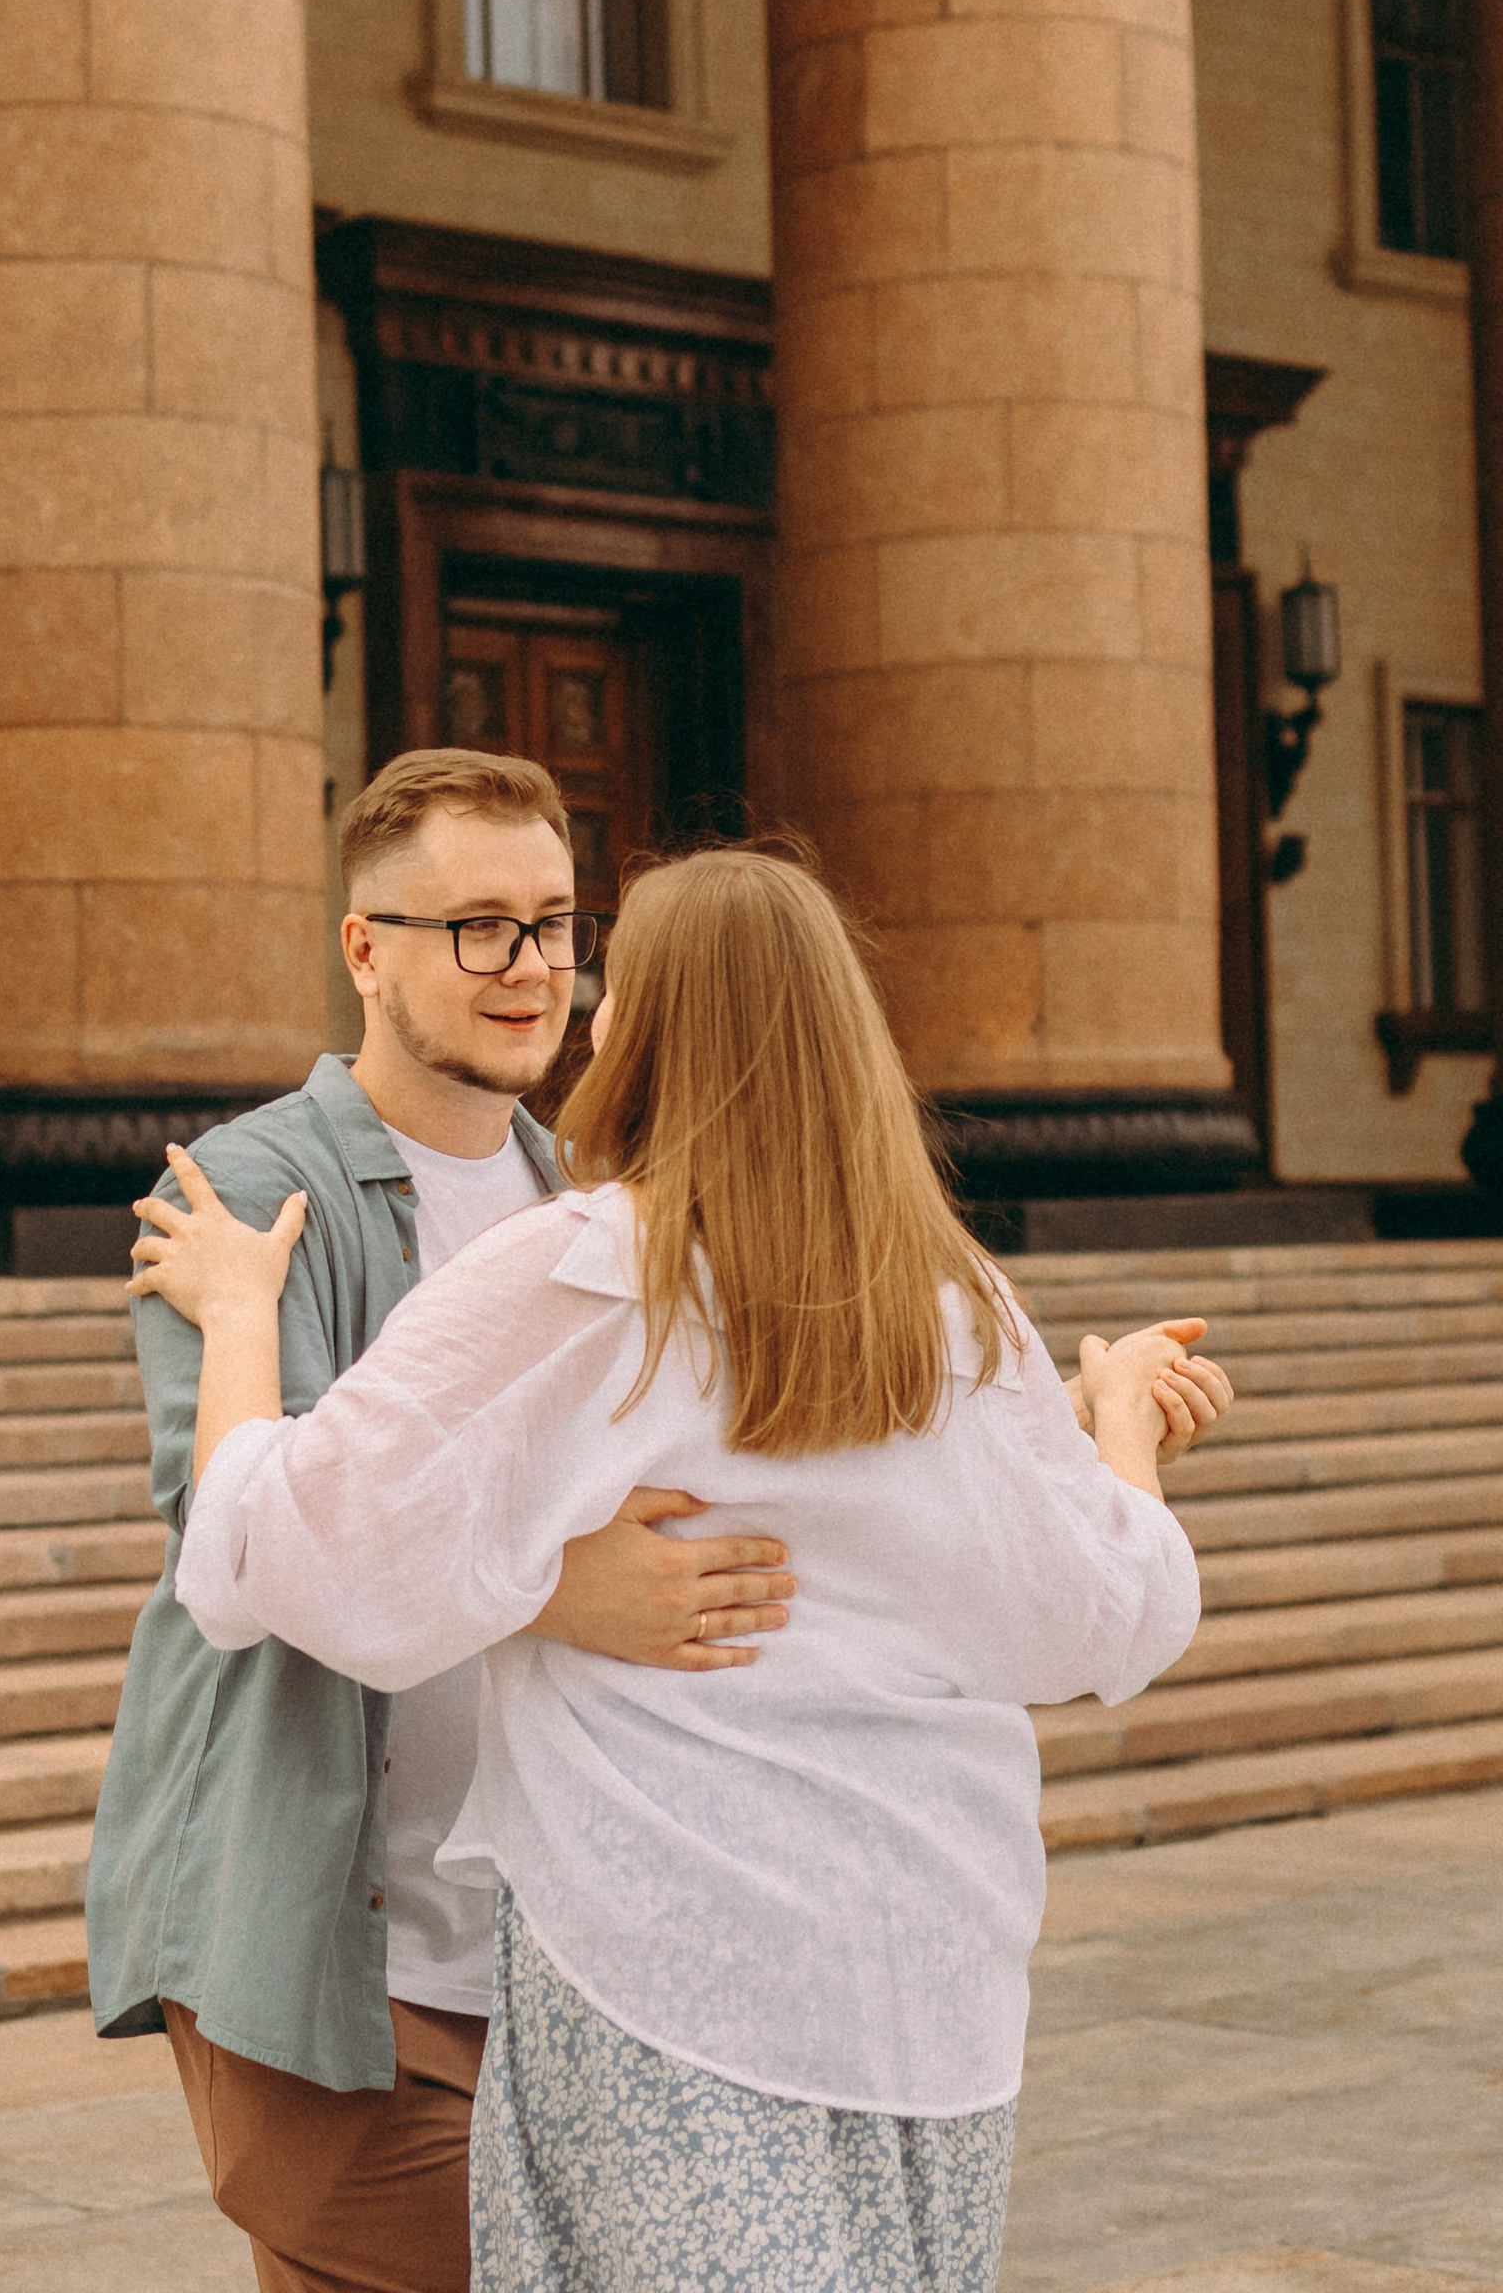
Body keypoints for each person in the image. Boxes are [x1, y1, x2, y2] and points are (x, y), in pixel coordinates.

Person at [134, 844, 1234, 2293]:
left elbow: (272, 1553)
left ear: (651, 1032)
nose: (582, 1010)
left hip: (678, 1973)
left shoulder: (587, 1273)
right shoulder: (958, 1302)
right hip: (931, 1983)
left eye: (611, 984)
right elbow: (1115, 1614)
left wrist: (237, 1319)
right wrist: (1120, 1431)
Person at [85, 749, 803, 2293]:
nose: (532, 968)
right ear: (366, 947)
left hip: (532, 1937)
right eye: (480, 927)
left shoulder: (589, 1197)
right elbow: (252, 1531)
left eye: (555, 923)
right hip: (316, 1925)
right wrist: (561, 1590)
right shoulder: (250, 1190)